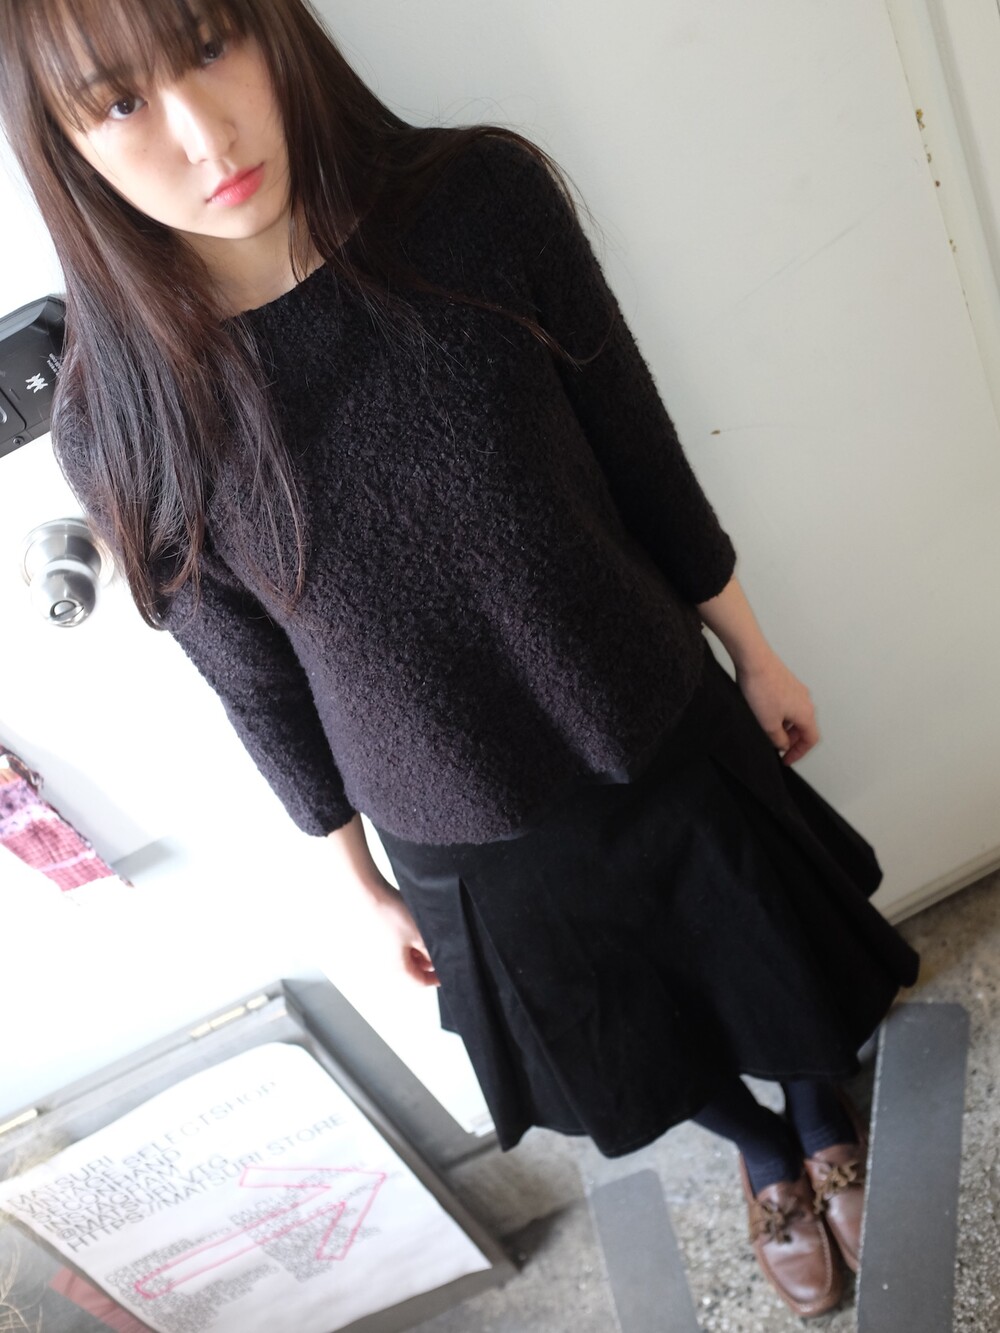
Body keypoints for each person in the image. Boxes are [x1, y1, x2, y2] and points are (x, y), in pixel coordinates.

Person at [0, 0, 918, 1317]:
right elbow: (253, 681)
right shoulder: (119, 414)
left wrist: (755, 651)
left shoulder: (479, 200)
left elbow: (637, 447)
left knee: (778, 958)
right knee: (621, 1044)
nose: (204, 133)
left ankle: (823, 1115)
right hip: (453, 815)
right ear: (66, 144)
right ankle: (766, 1152)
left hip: (652, 709)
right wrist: (355, 877)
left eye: (209, 46)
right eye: (121, 102)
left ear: (272, 27)